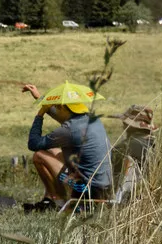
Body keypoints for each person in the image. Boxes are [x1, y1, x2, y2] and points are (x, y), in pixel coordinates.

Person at [20, 81, 113, 211]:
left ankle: (58, 201)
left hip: (86, 190)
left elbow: (34, 143)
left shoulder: (70, 129)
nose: (56, 109)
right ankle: (53, 199)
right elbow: (64, 118)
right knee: (53, 151)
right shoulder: (92, 119)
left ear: (63, 108)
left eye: (57, 107)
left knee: (39, 156)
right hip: (103, 187)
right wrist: (41, 99)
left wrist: (40, 114)